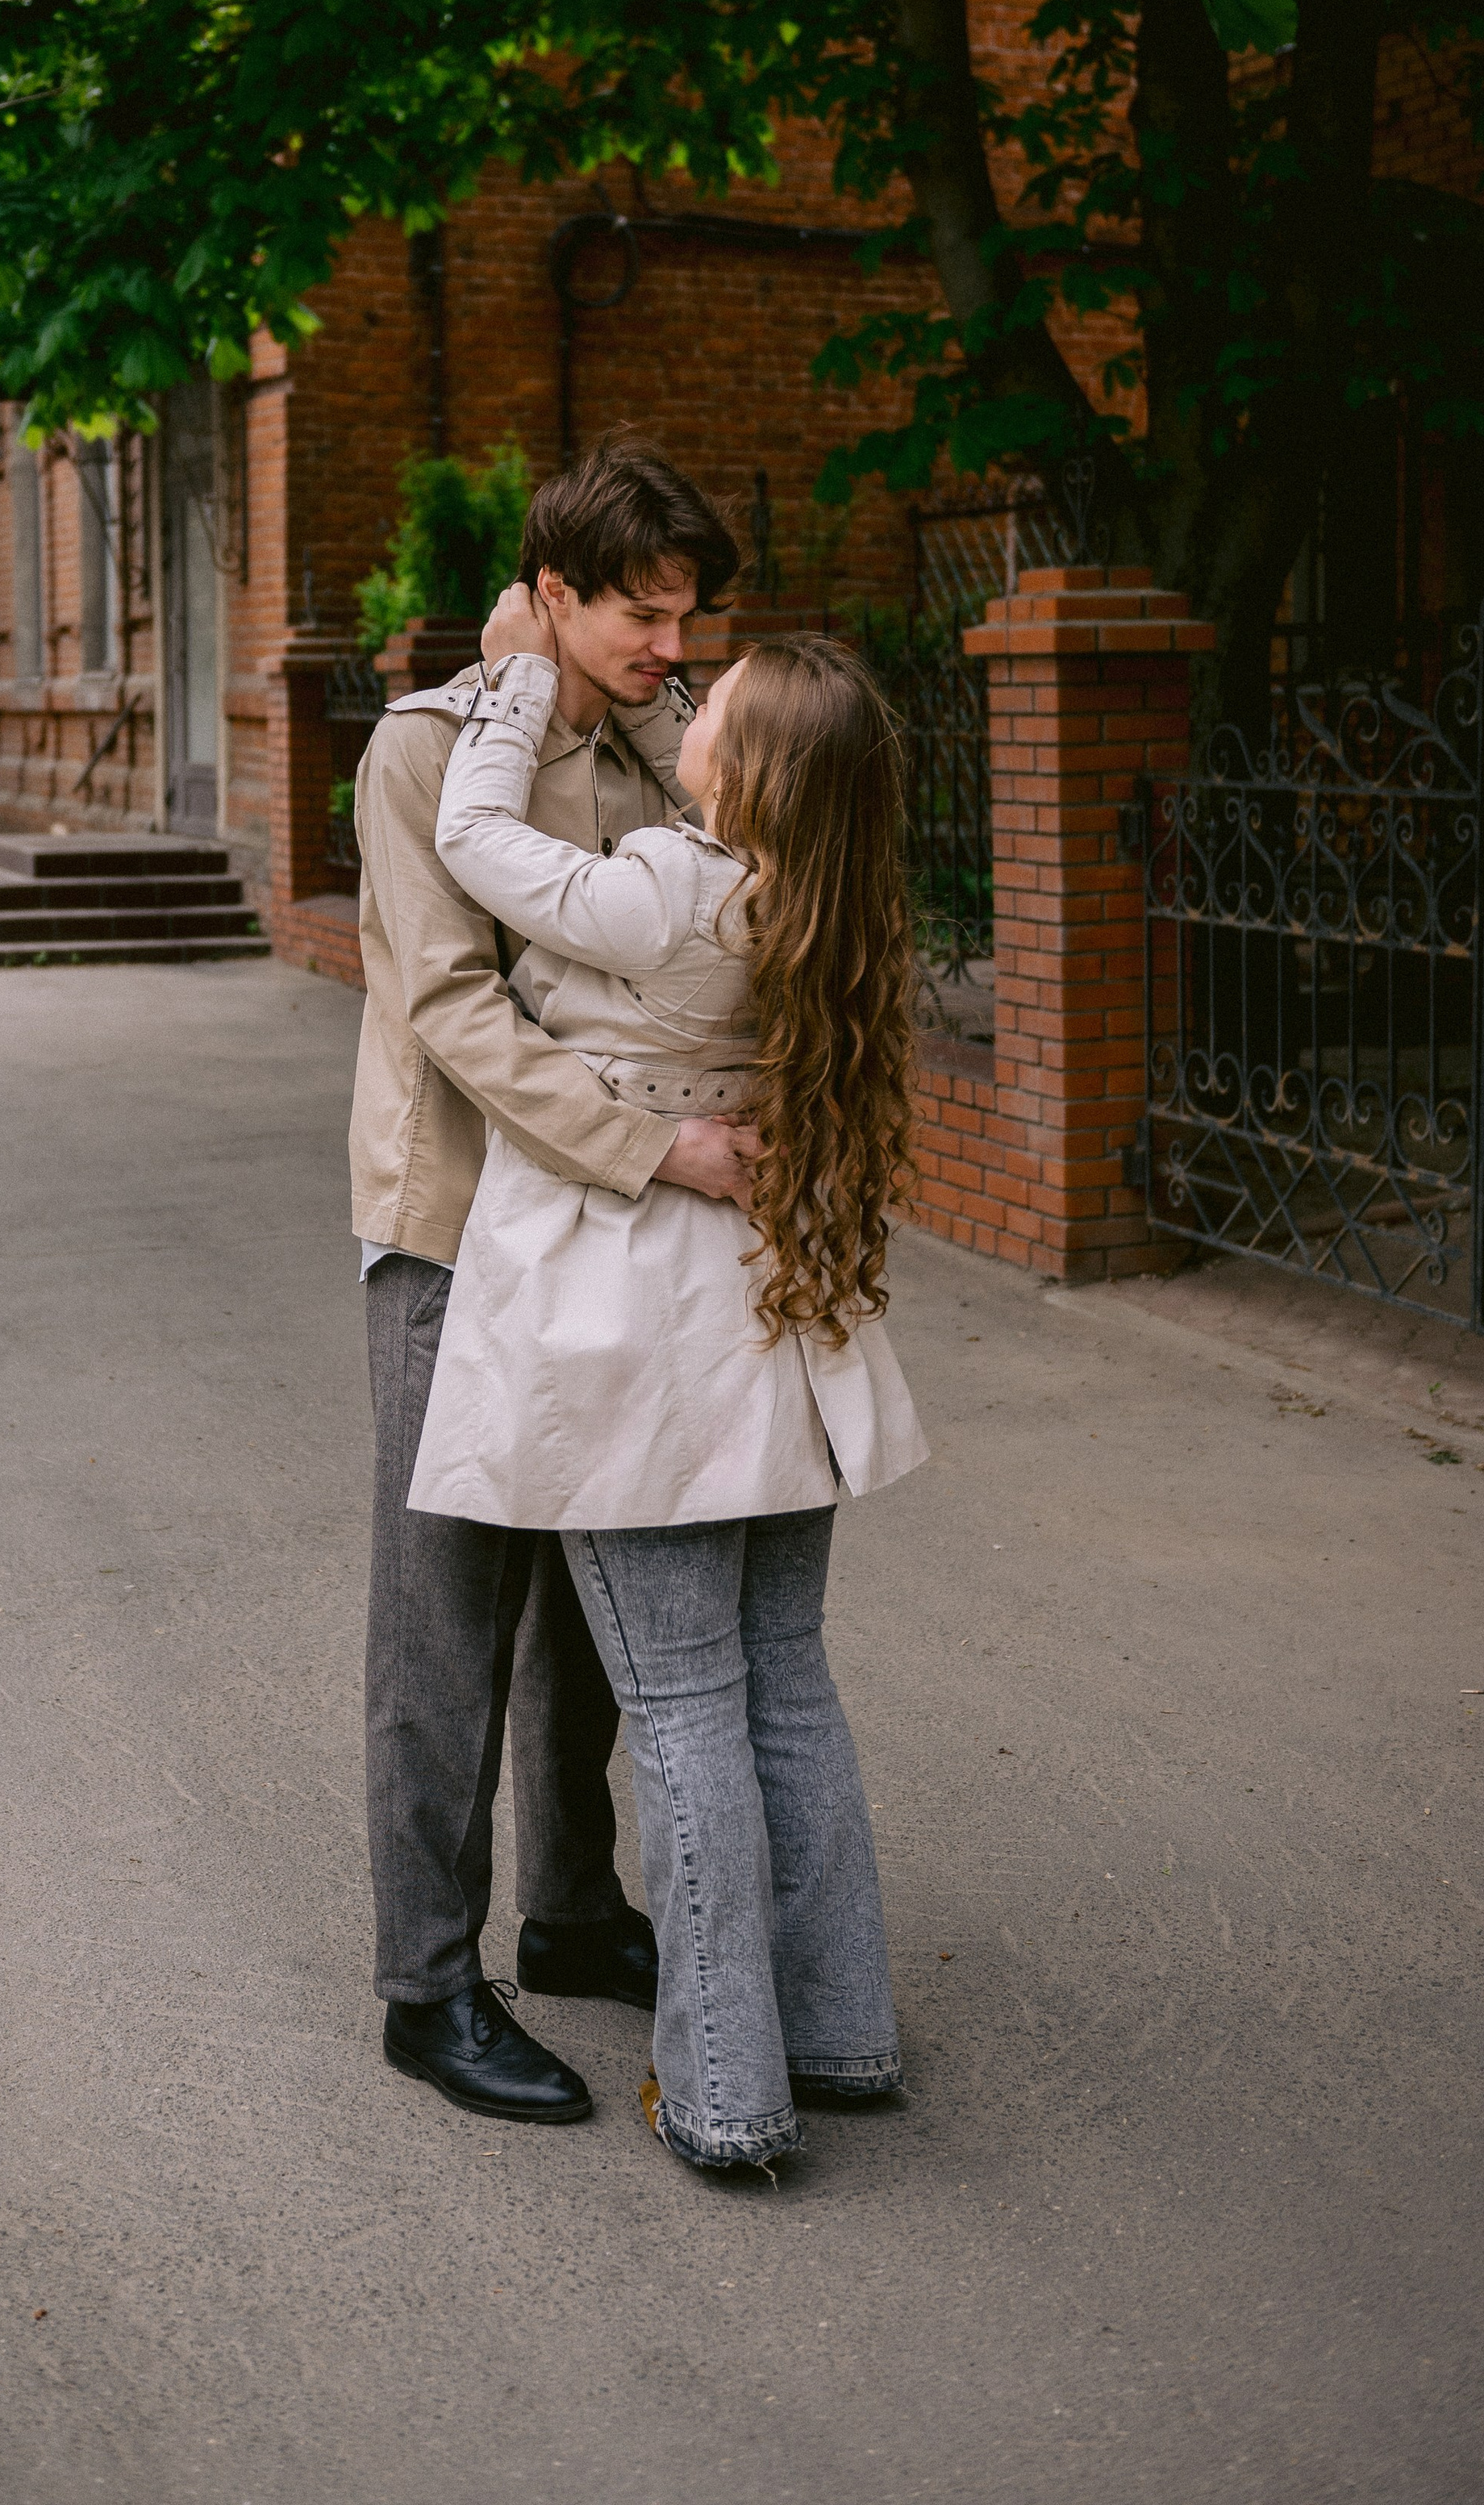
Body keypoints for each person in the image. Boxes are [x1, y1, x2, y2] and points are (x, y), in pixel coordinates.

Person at [408, 594, 928, 2171]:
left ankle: (720, 2092)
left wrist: (510, 686)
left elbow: (477, 842)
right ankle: (835, 2030)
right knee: (785, 1686)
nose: (684, 686)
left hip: (642, 1336)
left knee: (687, 1709)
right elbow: (690, 752)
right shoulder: (819, 902)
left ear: (746, 771)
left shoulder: (663, 889)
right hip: (779, 1333)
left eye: (721, 692)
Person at [352, 447, 756, 2128]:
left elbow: (728, 846)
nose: (675, 645)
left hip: (593, 1241)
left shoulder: (631, 743)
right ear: (549, 592)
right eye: (637, 614)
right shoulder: (427, 750)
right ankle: (427, 1987)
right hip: (458, 1227)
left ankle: (574, 1913)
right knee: (446, 1620)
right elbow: (453, 1008)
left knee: (593, 1603)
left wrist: (628, 701)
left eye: (687, 615)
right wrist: (657, 1151)